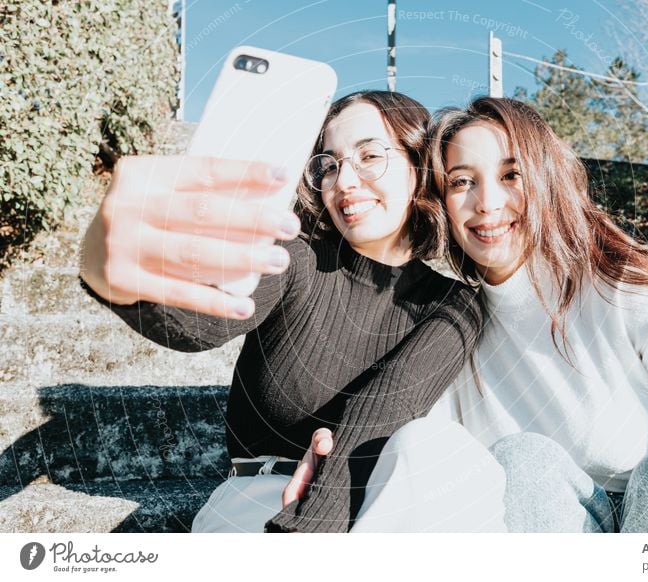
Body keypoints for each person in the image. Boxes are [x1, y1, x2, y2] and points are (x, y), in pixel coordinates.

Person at [297, 96, 648, 533]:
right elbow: (419, 466)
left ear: (545, 180)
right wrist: (332, 463)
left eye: (510, 175)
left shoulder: (629, 297)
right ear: (443, 203)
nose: (487, 203)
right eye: (461, 182)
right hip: (558, 534)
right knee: (523, 463)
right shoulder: (449, 332)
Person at [78, 91, 486, 533]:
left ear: (418, 167)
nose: (344, 182)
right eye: (329, 165)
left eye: (370, 156)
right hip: (257, 502)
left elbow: (381, 411)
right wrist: (115, 277)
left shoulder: (452, 302)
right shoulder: (297, 258)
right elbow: (203, 325)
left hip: (369, 510)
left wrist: (304, 536)